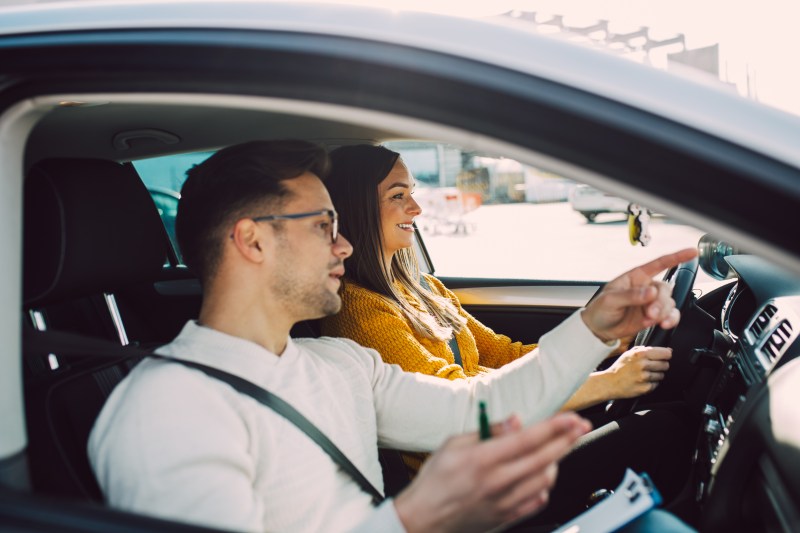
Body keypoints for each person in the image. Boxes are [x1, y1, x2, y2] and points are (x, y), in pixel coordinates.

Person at [88, 139, 695, 533]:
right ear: (252, 241)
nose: (345, 244)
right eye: (324, 226)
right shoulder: (165, 410)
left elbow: (478, 407)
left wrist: (592, 329)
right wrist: (416, 517)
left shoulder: (340, 363)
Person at [320, 144, 691, 520]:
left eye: (413, 193)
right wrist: (609, 382)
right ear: (357, 208)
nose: (416, 208)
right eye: (398, 196)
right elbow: (458, 407)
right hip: (476, 490)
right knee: (667, 429)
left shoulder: (425, 289)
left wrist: (608, 346)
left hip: (512, 447)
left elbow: (503, 354)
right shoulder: (360, 310)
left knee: (667, 419)